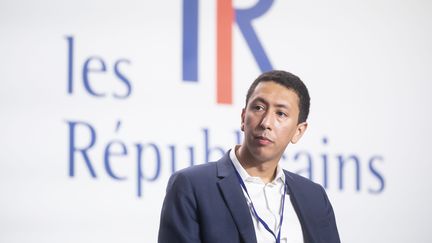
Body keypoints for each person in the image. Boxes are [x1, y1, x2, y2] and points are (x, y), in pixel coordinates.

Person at [158, 70, 340, 243]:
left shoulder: (315, 197)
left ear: (298, 131)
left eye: (281, 114)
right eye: (259, 108)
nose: (266, 122)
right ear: (243, 117)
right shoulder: (192, 185)